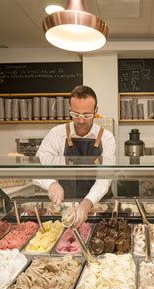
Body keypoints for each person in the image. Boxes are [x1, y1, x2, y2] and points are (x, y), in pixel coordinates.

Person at [35, 85, 116, 228]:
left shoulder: (107, 138)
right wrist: (51, 184)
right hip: (67, 206)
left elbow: (105, 178)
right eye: (76, 114)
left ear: (96, 111)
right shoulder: (56, 134)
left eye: (87, 115)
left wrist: (86, 204)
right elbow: (36, 166)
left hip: (99, 206)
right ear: (69, 109)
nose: (81, 120)